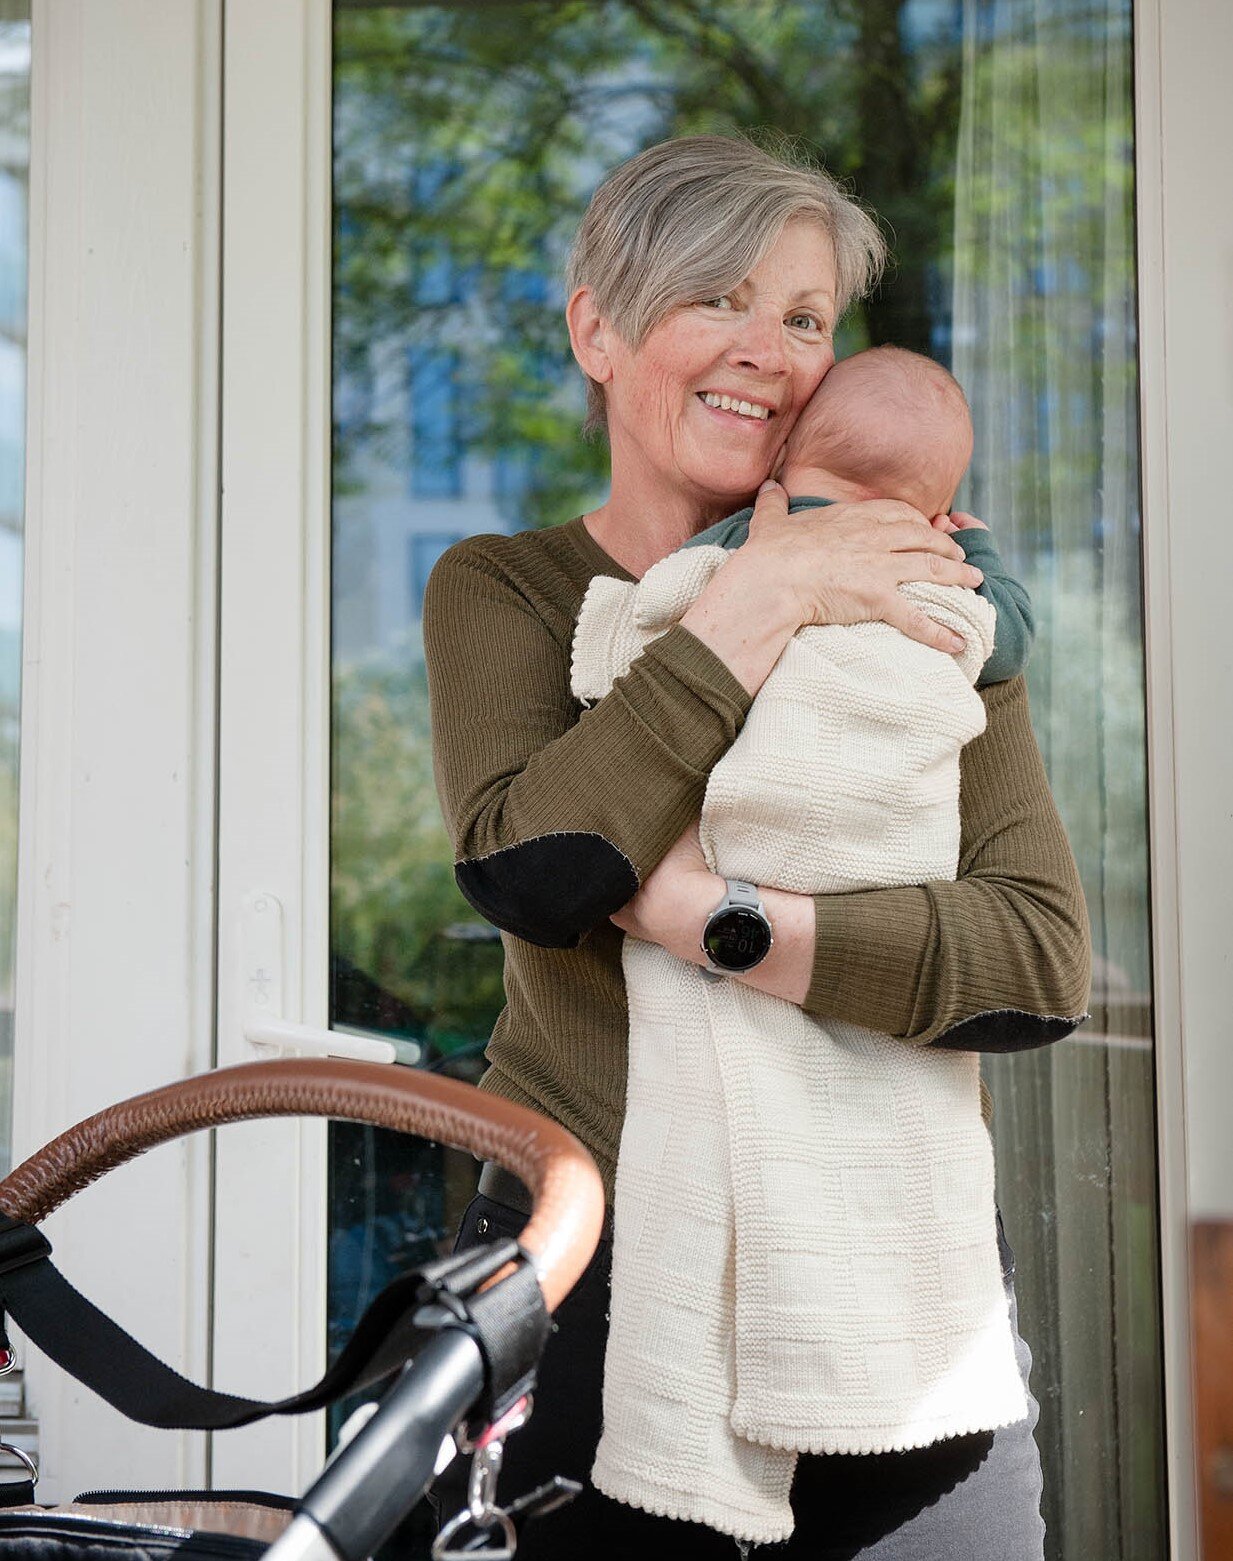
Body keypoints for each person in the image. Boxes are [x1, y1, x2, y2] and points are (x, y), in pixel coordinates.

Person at [424, 134, 1090, 1559]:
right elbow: (537, 870)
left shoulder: (929, 582)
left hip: (887, 1264)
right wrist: (761, 594)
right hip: (591, 1258)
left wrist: (713, 917)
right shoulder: (510, 592)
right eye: (713, 298)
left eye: (801, 317)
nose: (767, 351)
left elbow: (1034, 963)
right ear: (596, 328)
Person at [681, 342, 1034, 688]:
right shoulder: (926, 569)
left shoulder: (756, 533)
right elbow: (1011, 643)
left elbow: (674, 583)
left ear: (783, 455)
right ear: (936, 517)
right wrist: (974, 548)